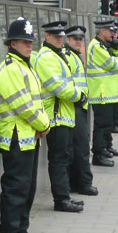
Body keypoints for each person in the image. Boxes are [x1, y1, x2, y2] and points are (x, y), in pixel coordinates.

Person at [0, 17, 51, 233]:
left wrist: (40, 126)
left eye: (30, 42)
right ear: (12, 43)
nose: (29, 46)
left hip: (28, 135)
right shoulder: (10, 68)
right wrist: (44, 123)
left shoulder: (23, 66)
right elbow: (23, 105)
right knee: (15, 189)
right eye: (24, 42)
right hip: (16, 137)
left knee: (26, 188)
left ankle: (21, 231)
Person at [31, 21, 85, 213]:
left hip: (63, 114)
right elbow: (58, 86)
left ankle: (65, 195)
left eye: (62, 37)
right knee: (59, 158)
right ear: (47, 37)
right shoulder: (46, 57)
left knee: (64, 156)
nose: (60, 40)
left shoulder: (56, 55)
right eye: (56, 37)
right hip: (55, 115)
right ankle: (61, 200)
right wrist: (79, 96)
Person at [63, 25, 99, 196]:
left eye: (80, 39)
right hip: (74, 105)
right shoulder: (68, 56)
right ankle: (84, 183)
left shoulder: (76, 56)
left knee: (77, 147)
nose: (78, 41)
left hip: (78, 105)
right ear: (67, 40)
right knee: (81, 147)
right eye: (74, 39)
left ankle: (77, 182)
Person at [86, 19, 118, 167]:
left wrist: (116, 49)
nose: (113, 34)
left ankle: (107, 147)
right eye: (111, 31)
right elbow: (112, 65)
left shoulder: (104, 46)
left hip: (108, 93)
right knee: (102, 125)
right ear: (102, 31)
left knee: (108, 123)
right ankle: (98, 154)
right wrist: (117, 58)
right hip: (100, 93)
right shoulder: (96, 46)